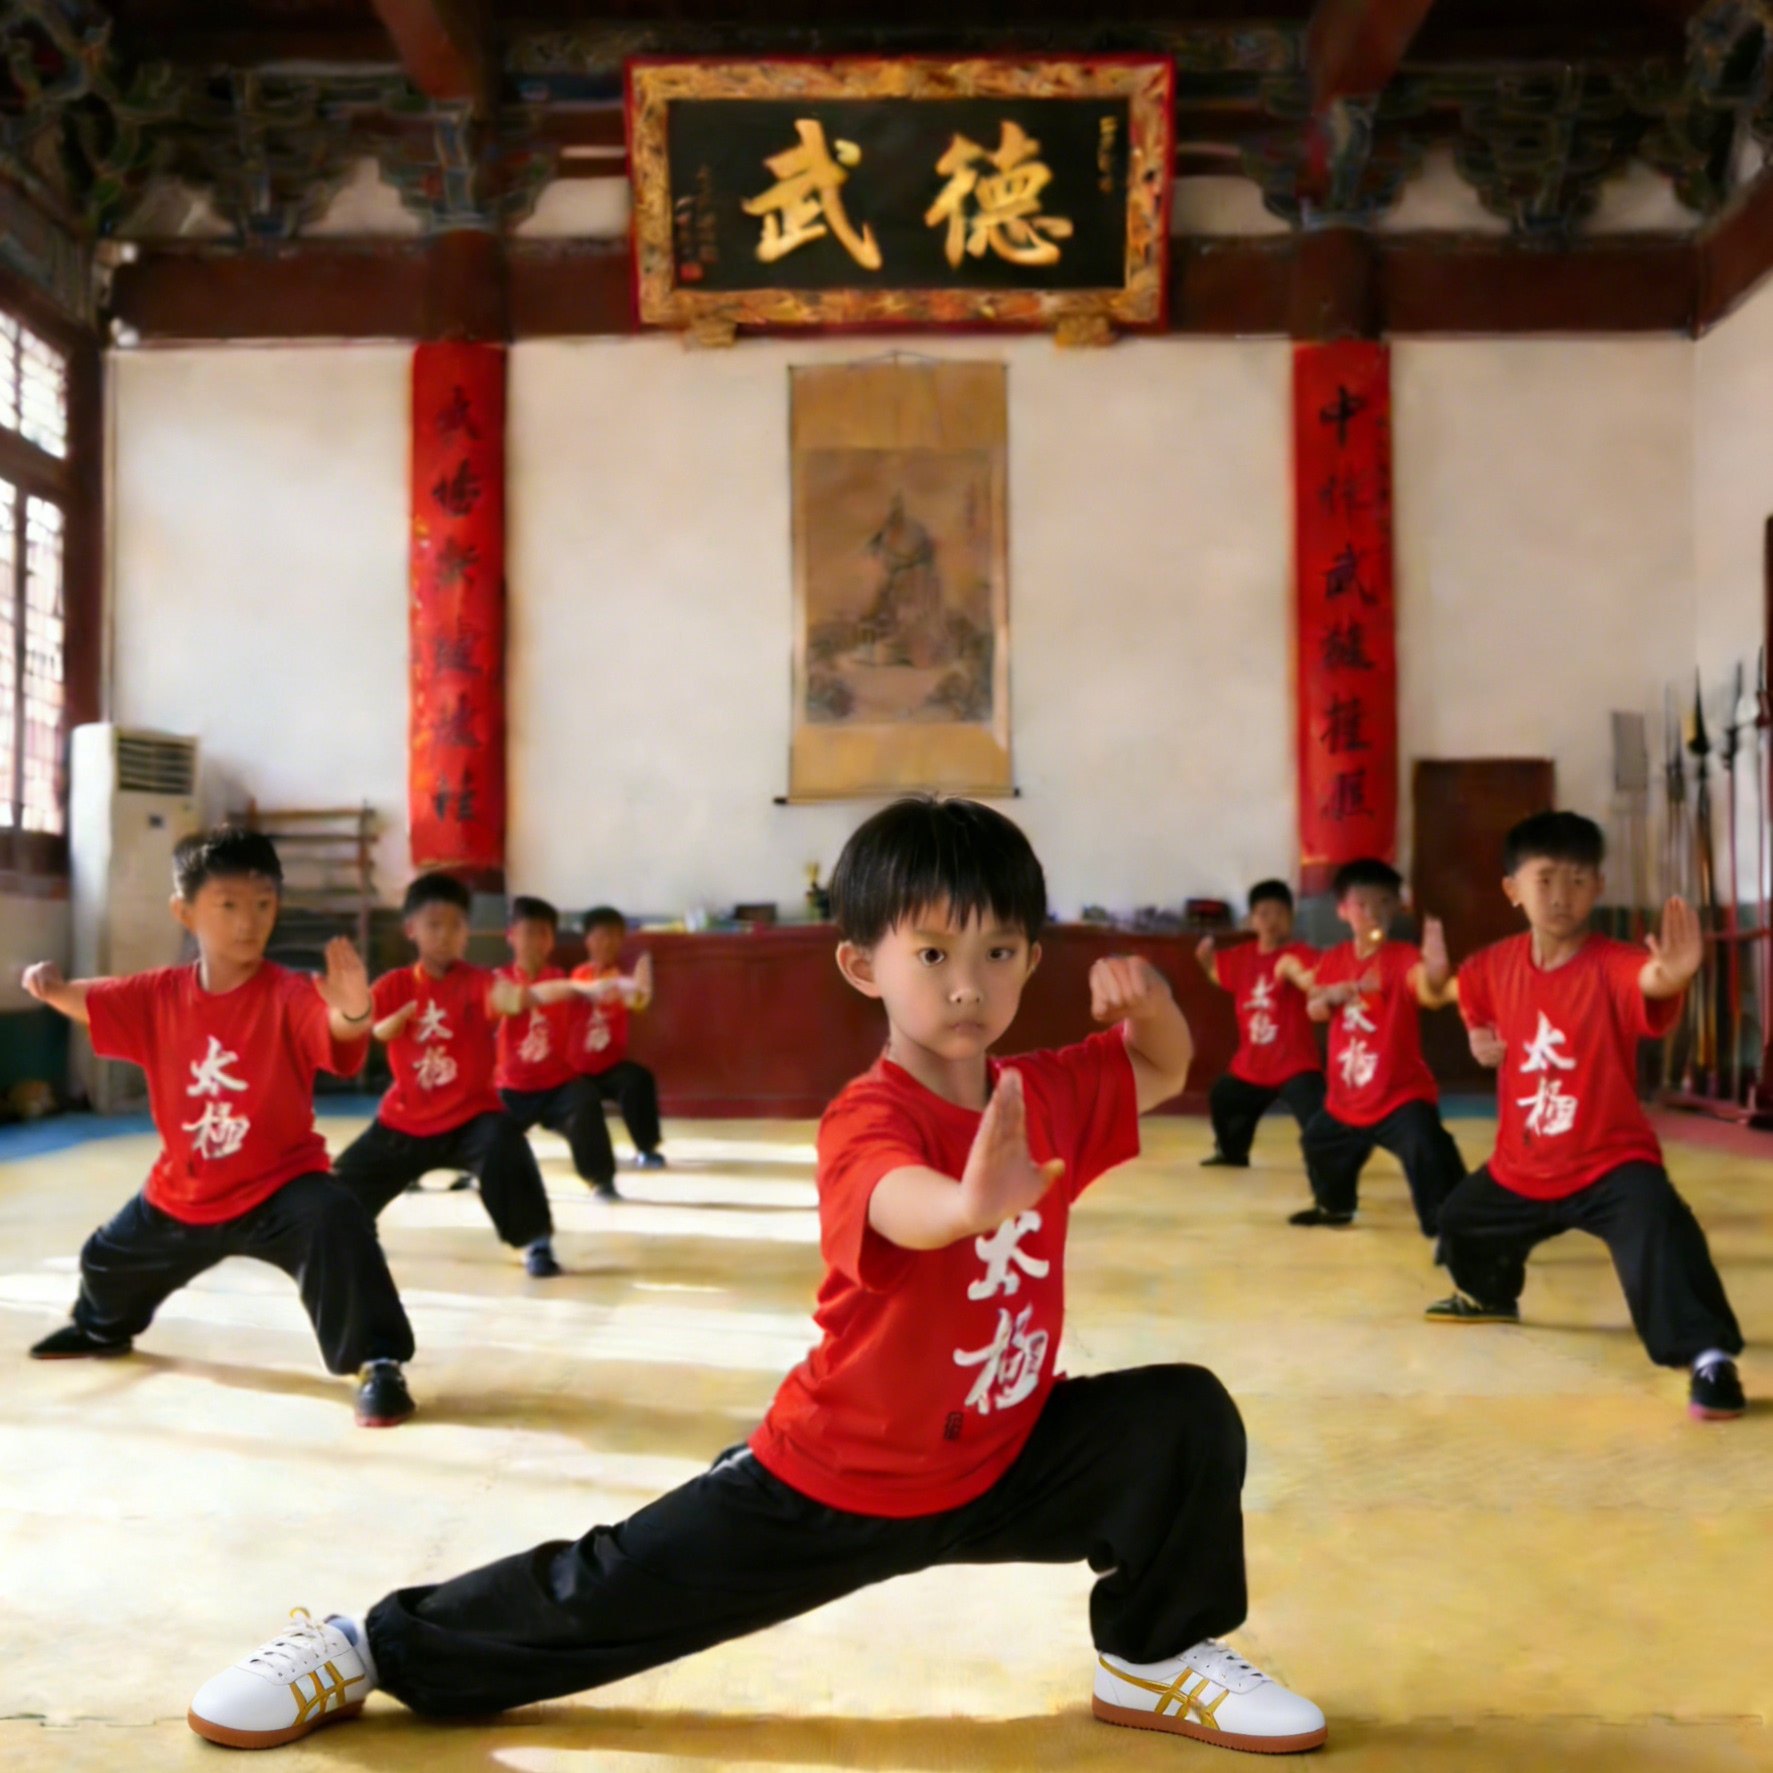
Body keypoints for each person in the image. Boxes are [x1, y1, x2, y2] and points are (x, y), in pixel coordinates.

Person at [186, 796, 1327, 1756]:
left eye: (997, 952)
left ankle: (1152, 1655)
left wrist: (1160, 1010)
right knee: (604, 1593)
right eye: (932, 953)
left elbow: (1160, 1072)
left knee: (1180, 1416)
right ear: (860, 964)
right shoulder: (866, 1116)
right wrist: (971, 1204)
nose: (967, 984)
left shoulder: (1045, 1089)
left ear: (1031, 956)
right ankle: (365, 1645)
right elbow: (898, 1205)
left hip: (1002, 1456)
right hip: (837, 1478)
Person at [21, 827, 418, 1428]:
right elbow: (99, 998)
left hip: (280, 1188)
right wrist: (50, 989)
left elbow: (334, 1027)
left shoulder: (289, 993)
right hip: (184, 1194)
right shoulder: (160, 995)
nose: (248, 921)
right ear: (185, 912)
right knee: (105, 1259)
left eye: (263, 905)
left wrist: (357, 1010)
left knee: (337, 1219)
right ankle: (102, 1329)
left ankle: (378, 1361)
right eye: (227, 905)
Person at [1426, 811, 1746, 1420]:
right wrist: (1477, 1033)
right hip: (1523, 1167)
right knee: (1460, 1218)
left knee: (1661, 1228)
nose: (1561, 896)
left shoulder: (1611, 962)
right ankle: (1493, 1295)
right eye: (1545, 879)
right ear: (1512, 890)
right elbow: (1470, 992)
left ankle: (1708, 1359)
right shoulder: (1493, 965)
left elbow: (1647, 978)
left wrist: (1673, 974)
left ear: (1598, 888)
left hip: (1610, 1162)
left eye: (1577, 880)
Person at [330, 874, 563, 1279]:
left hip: (471, 1116)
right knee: (339, 1185)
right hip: (406, 1119)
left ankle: (535, 1242)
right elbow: (359, 1023)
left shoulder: (479, 981)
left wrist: (548, 994)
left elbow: (510, 998)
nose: (444, 935)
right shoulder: (396, 985)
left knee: (505, 1144)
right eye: (433, 925)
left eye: (455, 925)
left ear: (466, 933)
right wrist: (360, 1013)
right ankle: (355, 1240)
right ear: (411, 930)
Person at [1290, 858, 1465, 1234]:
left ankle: (1449, 1224)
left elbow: (1428, 990)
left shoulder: (1403, 958)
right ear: (1343, 910)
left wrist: (1436, 970)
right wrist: (1333, 995)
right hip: (1346, 1096)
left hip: (1398, 1093)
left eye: (1385, 902)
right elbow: (1315, 1010)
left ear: (1398, 907)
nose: (1374, 913)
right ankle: (1335, 1207)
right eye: (1363, 904)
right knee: (1319, 1141)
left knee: (1427, 1148)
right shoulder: (1333, 959)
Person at [495, 896, 619, 1200]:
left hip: (556, 1086)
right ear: (511, 936)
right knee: (485, 1130)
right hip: (511, 1088)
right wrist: (579, 989)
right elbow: (521, 999)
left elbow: (601, 999)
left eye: (545, 933)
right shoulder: (497, 981)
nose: (537, 941)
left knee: (584, 1099)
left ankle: (600, 1179)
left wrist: (627, 990)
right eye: (529, 932)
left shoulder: (564, 979)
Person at [1195, 880, 1323, 1170]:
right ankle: (1232, 1153)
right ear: (1252, 920)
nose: (1272, 921)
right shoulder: (1241, 957)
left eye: (1280, 913)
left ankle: (1327, 1166)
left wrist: (1297, 973)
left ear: (1290, 918)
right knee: (1223, 1095)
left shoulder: (1302, 953)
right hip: (1251, 1065)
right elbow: (1218, 973)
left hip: (1295, 1064)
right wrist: (1205, 962)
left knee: (1318, 1118)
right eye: (1264, 913)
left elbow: (1315, 980)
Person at [570, 905, 664, 1171]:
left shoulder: (624, 975)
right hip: (577, 1069)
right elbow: (579, 994)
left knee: (638, 1080)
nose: (607, 943)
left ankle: (647, 1149)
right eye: (600, 936)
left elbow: (639, 1000)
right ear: (587, 940)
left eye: (614, 936)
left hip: (609, 1066)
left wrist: (638, 985)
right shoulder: (578, 975)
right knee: (573, 1099)